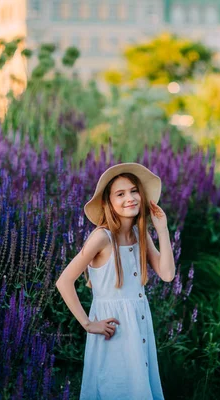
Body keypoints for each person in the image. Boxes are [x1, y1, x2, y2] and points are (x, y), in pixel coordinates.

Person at [55, 163, 175, 400]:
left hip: (138, 326)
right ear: (109, 202)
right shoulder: (102, 236)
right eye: (120, 194)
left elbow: (168, 274)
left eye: (133, 191)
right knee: (114, 387)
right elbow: (64, 281)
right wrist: (88, 324)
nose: (129, 198)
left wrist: (163, 230)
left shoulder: (140, 235)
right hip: (115, 331)